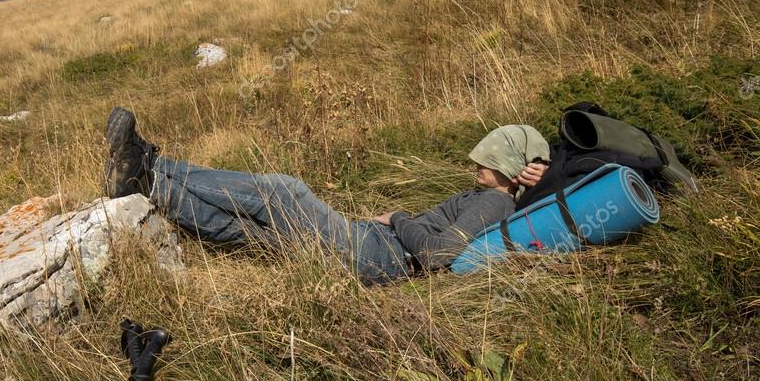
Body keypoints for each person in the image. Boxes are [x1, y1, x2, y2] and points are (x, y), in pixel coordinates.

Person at [104, 108, 550, 283]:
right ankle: (150, 189)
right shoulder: (494, 200)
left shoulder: (496, 202)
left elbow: (439, 252)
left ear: (509, 166)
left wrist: (398, 218)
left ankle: (150, 165)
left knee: (283, 192)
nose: (478, 162)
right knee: (250, 230)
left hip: (373, 254)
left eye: (490, 157)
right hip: (371, 248)